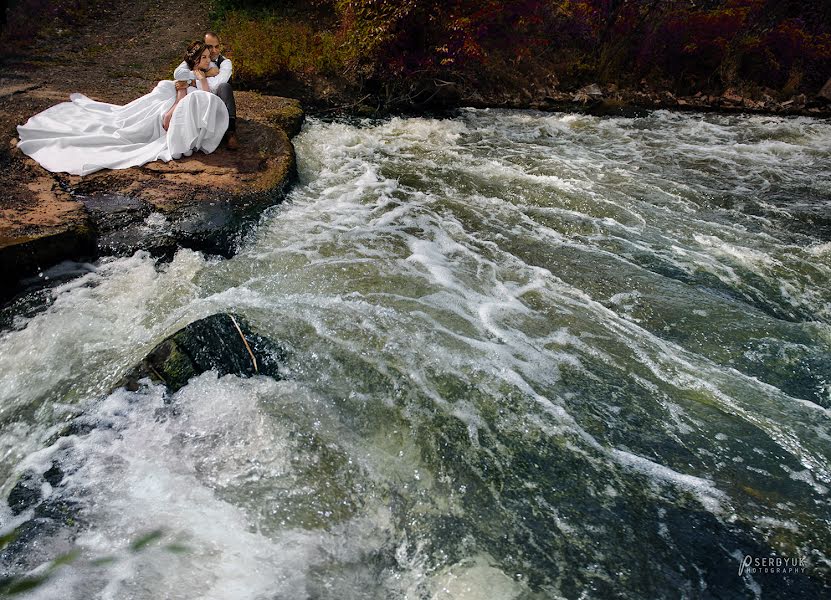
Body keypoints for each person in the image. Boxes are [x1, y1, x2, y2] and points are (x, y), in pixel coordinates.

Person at [16, 42, 229, 176]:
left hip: (188, 96)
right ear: (195, 60)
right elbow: (192, 92)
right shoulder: (185, 74)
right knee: (140, 119)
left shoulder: (207, 70)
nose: (208, 60)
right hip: (173, 102)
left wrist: (205, 74)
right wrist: (193, 82)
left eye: (208, 57)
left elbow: (213, 80)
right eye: (204, 58)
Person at [174, 31, 238, 150]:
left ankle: (230, 131)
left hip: (218, 98)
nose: (214, 50)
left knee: (225, 86)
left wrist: (191, 81)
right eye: (210, 47)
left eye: (217, 46)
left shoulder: (225, 63)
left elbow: (216, 84)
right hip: (200, 97)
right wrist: (203, 74)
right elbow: (178, 73)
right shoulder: (197, 58)